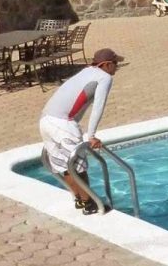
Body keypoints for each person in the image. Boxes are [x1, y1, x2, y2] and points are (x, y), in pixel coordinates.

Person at [39, 47, 124, 215]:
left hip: (44, 120)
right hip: (63, 123)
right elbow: (98, 107)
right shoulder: (104, 77)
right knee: (78, 166)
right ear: (106, 65)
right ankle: (90, 204)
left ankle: (80, 199)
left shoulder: (86, 71)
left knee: (64, 165)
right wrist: (91, 136)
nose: (117, 67)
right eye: (115, 64)